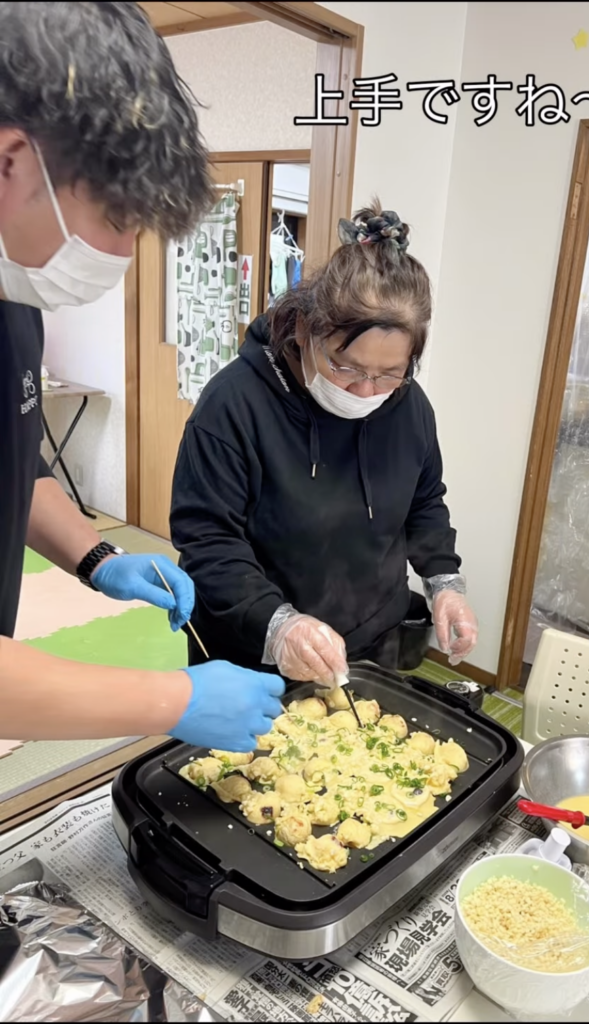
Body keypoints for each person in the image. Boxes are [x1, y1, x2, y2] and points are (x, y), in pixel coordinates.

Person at [0, 1, 284, 752]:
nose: (125, 254)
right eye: (119, 218)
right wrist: (167, 697)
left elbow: (15, 469)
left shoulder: (14, 298)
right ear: (11, 159)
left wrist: (99, 559)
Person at [170, 201, 479, 686]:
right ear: (303, 330)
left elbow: (423, 503)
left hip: (373, 641)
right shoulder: (233, 405)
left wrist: (444, 582)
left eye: (390, 373)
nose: (366, 391)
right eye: (346, 367)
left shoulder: (408, 406)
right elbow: (207, 541)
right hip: (255, 645)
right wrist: (279, 625)